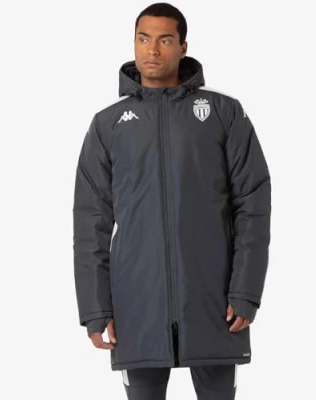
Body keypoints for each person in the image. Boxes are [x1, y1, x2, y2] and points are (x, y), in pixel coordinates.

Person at [73, 2, 271, 399]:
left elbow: (252, 203)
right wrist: (95, 308)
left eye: (165, 40)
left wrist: (246, 291)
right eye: (143, 39)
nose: (152, 49)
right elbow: (90, 221)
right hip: (136, 306)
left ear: (183, 47)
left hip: (216, 302)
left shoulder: (223, 113)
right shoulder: (108, 125)